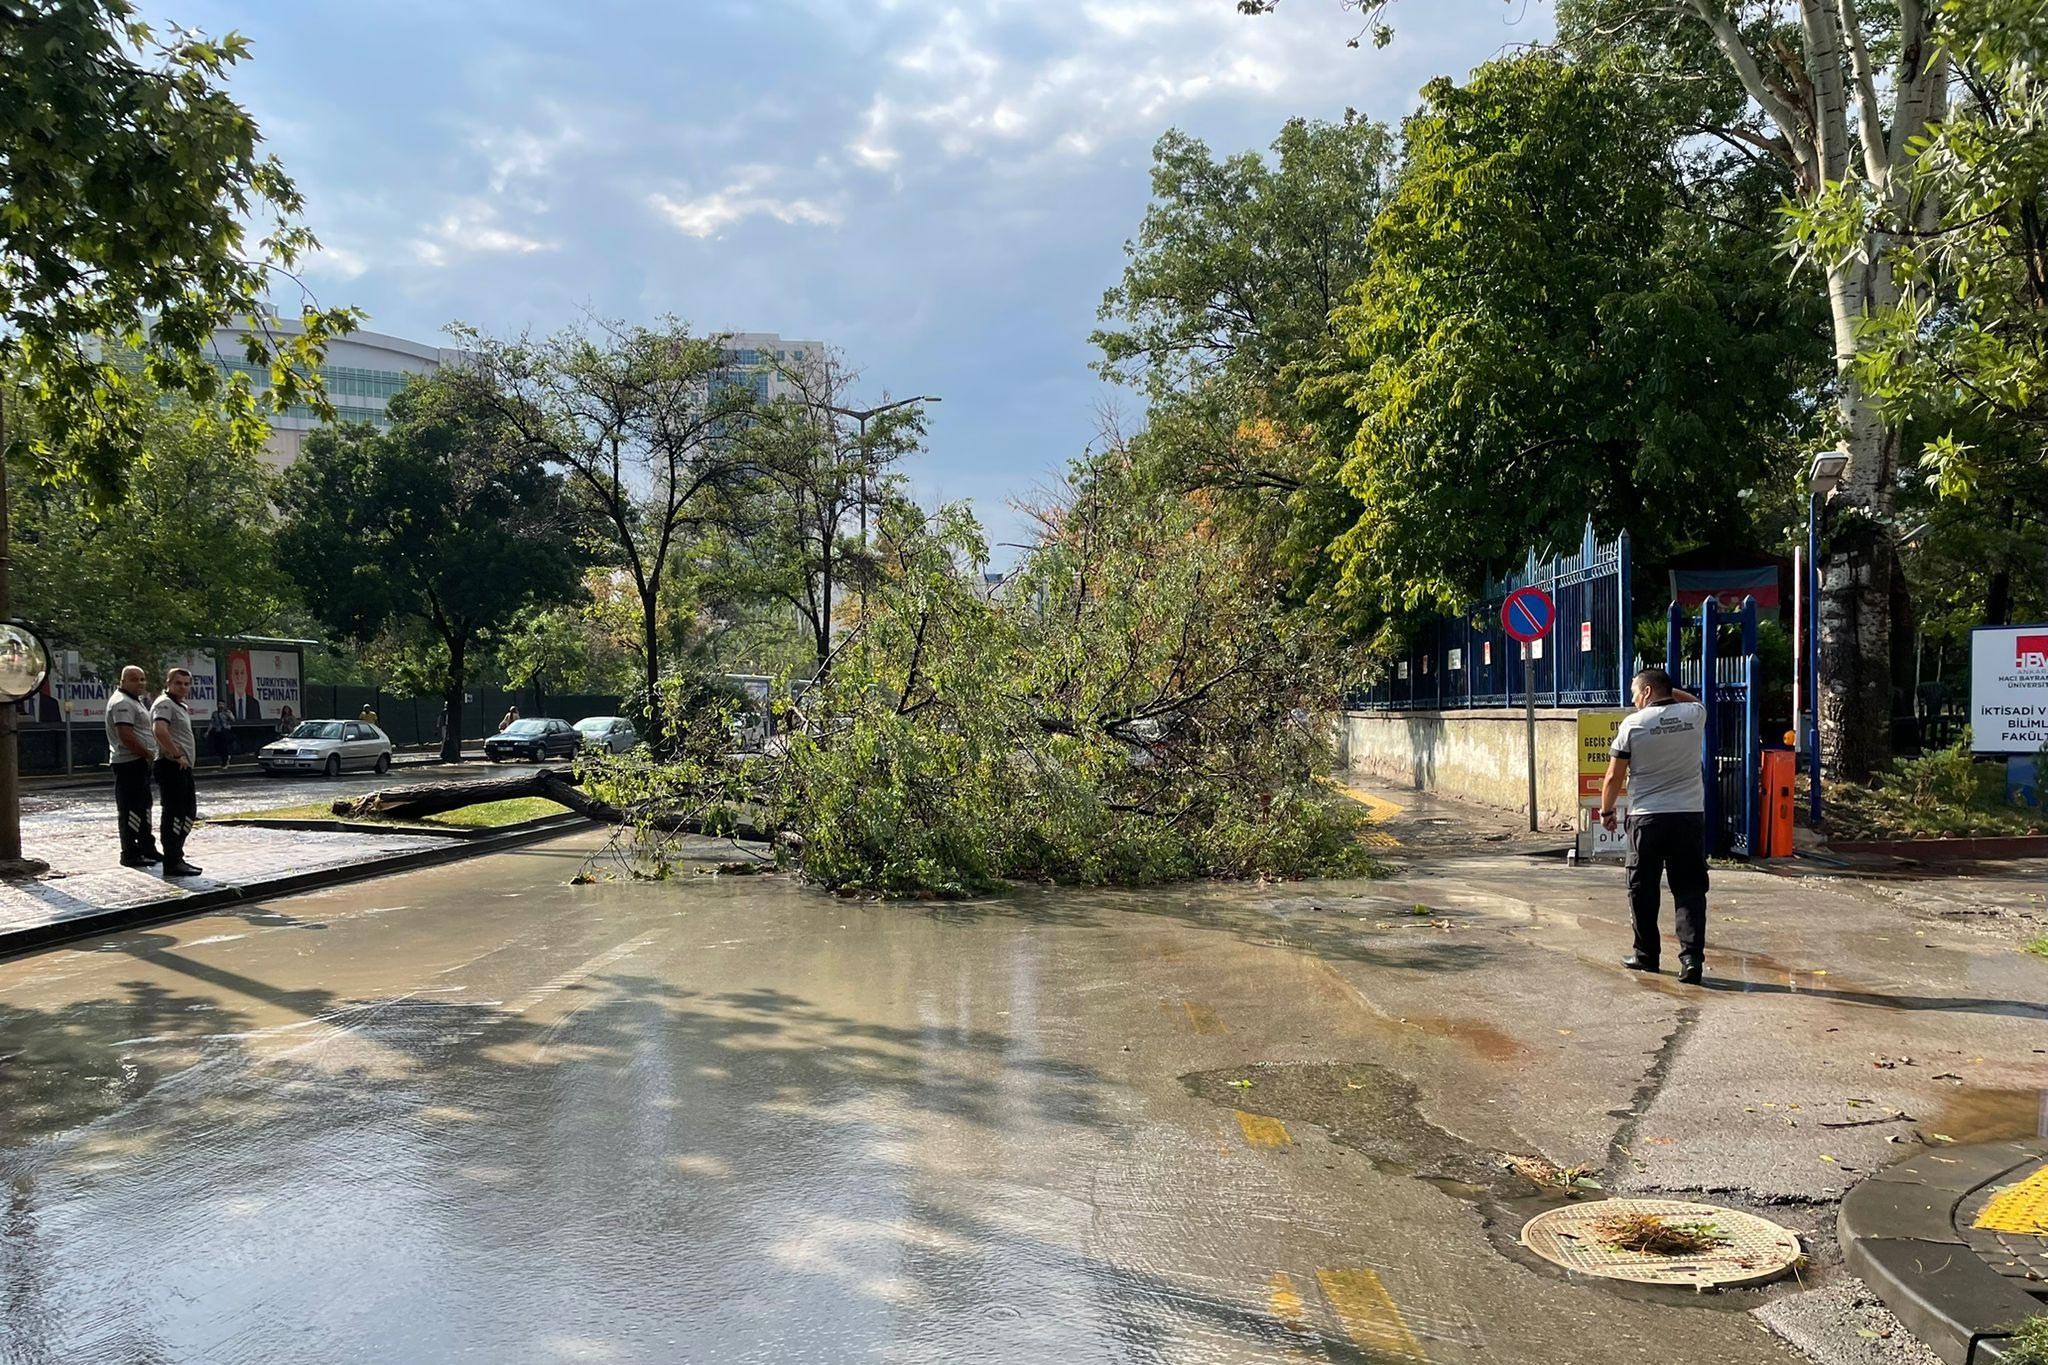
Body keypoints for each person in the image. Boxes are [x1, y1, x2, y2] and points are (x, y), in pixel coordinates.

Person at [1597, 667, 1709, 984]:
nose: (1633, 700)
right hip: (1688, 816)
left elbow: (1613, 776)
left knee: (1642, 888)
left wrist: (1607, 811)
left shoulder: (1633, 724)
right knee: (1689, 889)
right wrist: (1668, 692)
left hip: (1647, 818)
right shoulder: (1694, 714)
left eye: (1635, 693)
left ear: (1647, 691)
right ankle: (1691, 960)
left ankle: (1646, 956)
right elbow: (1693, 700)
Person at [104, 665, 161, 868]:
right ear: (123, 681)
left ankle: (147, 847)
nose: (140, 683)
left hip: (138, 762)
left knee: (143, 806)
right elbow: (126, 735)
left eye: (142, 679)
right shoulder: (122, 703)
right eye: (134, 679)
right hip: (129, 763)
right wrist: (146, 753)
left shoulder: (133, 701)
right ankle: (130, 852)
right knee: (131, 810)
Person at [150, 668, 203, 877]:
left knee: (187, 812)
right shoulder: (164, 703)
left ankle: (177, 856)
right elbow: (159, 730)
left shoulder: (178, 705)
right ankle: (172, 861)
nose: (183, 687)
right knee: (174, 813)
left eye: (186, 683)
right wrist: (176, 754)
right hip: (171, 766)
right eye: (178, 683)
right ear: (168, 683)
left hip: (182, 767)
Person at [206, 702, 235, 768]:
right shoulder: (215, 713)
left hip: (225, 731)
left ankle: (225, 761)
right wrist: (208, 731)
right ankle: (225, 758)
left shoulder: (227, 712)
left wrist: (229, 714)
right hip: (218, 731)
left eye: (222, 704)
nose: (220, 706)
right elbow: (211, 723)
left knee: (225, 747)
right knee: (219, 747)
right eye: (219, 704)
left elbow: (233, 719)